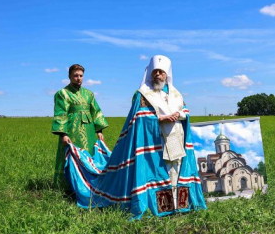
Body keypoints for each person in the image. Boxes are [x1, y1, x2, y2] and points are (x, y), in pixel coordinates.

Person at [63, 55, 206, 218]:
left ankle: (178, 203)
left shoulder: (176, 94)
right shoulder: (143, 94)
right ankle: (162, 205)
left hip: (174, 137)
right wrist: (160, 118)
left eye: (161, 72)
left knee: (175, 168)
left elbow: (185, 111)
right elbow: (137, 117)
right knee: (159, 170)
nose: (158, 75)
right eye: (155, 72)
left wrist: (179, 114)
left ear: (167, 74)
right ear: (150, 73)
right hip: (153, 141)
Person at [52, 64, 108, 190]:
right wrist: (63, 134)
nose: (78, 78)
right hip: (72, 131)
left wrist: (99, 130)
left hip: (89, 132)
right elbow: (60, 114)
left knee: (88, 157)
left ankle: (90, 185)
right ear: (69, 76)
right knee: (71, 157)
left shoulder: (89, 94)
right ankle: (68, 188)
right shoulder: (63, 93)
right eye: (75, 75)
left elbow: (96, 111)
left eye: (81, 76)